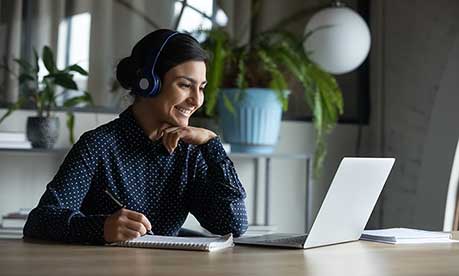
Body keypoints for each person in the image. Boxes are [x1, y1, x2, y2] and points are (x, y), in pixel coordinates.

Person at [23, 29, 248, 244]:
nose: (196, 100)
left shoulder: (190, 153)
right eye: (185, 85)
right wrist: (101, 228)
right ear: (148, 83)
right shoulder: (98, 145)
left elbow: (234, 224)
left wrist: (212, 143)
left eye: (201, 88)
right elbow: (39, 221)